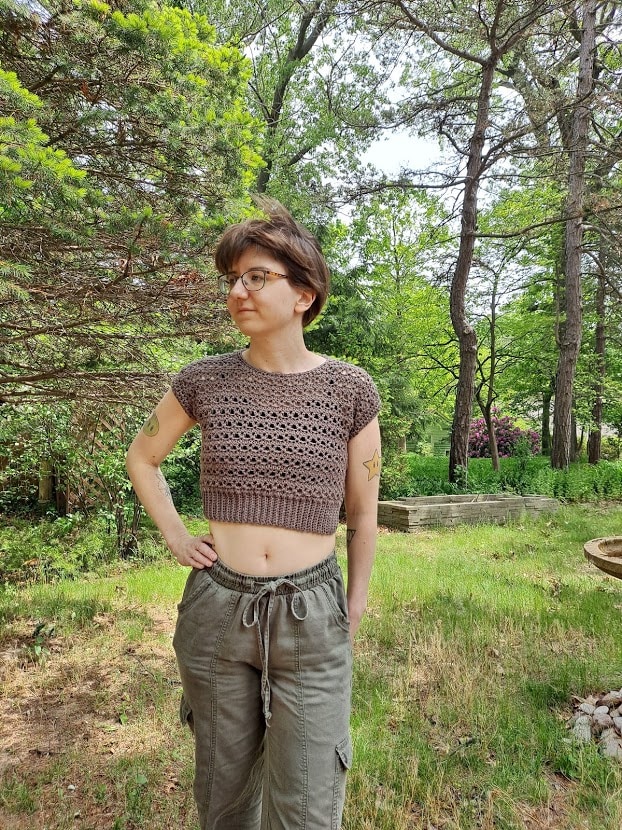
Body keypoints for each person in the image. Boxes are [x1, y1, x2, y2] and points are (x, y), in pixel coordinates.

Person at [125, 198, 381, 830]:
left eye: (257, 276)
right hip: (218, 610)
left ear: (304, 293)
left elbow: (364, 513)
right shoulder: (203, 380)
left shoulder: (349, 389)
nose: (238, 291)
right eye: (232, 280)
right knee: (225, 788)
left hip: (312, 610)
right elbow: (142, 458)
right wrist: (179, 537)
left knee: (308, 795)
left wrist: (354, 600)